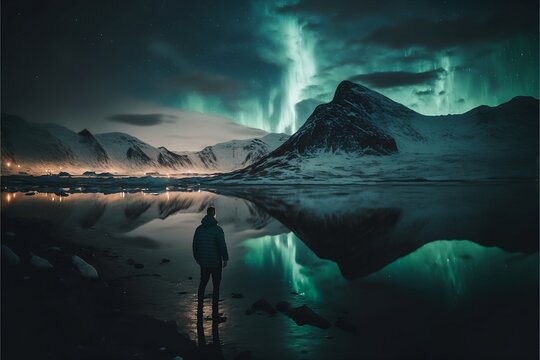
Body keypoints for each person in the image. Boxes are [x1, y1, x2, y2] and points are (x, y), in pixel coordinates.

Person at [192, 206, 229, 319]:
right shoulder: (218, 230)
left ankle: (199, 308)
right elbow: (222, 245)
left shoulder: (199, 229)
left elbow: (195, 245)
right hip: (215, 263)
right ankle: (215, 312)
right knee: (216, 287)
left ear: (206, 214)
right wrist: (225, 258)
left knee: (202, 284)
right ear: (214, 214)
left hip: (204, 263)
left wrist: (197, 258)